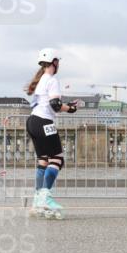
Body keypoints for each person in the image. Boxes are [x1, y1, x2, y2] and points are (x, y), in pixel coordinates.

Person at [24, 48, 77, 218]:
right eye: (57, 61)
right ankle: (45, 197)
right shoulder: (52, 80)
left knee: (43, 161)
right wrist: (71, 109)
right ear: (54, 62)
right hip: (44, 122)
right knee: (57, 159)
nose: (58, 64)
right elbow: (55, 105)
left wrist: (66, 105)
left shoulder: (41, 80)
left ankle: (36, 200)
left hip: (32, 121)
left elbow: (49, 103)